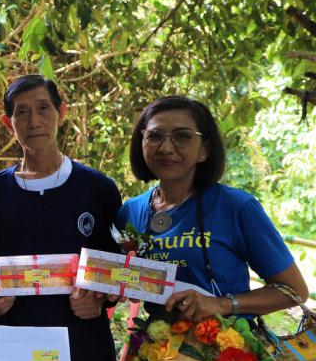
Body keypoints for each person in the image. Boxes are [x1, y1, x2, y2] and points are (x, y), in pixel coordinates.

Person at [0, 75, 123, 361]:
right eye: (22, 112)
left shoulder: (98, 189)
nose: (34, 121)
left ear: (62, 112)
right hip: (8, 349)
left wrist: (100, 298)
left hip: (82, 349)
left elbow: (117, 265)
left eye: (43, 108)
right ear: (8, 123)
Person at [117, 96, 308, 320]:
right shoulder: (130, 211)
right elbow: (118, 277)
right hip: (156, 340)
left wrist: (223, 304)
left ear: (204, 150)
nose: (166, 147)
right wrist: (121, 285)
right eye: (154, 136)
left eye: (182, 136)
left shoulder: (236, 207)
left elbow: (294, 291)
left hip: (225, 341)